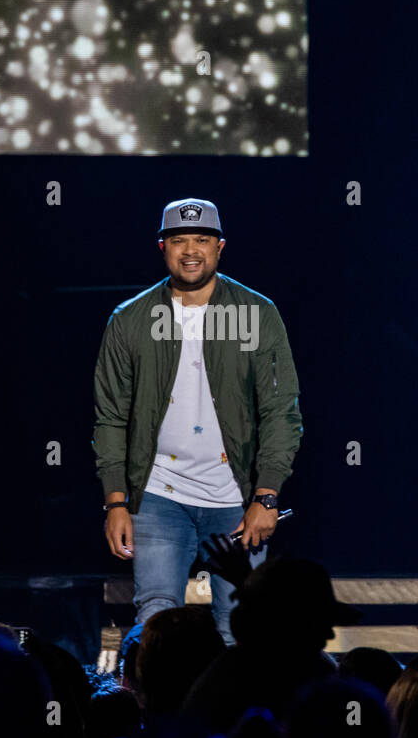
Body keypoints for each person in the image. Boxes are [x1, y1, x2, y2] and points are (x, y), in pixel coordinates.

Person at [93, 197, 303, 645]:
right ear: (162, 247)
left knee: (240, 627)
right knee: (156, 625)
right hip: (157, 496)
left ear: (220, 246)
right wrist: (115, 502)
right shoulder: (130, 320)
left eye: (202, 239)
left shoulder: (256, 313)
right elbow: (110, 416)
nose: (191, 250)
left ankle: (235, 717)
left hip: (235, 498)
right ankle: (162, 716)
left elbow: (281, 411)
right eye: (179, 240)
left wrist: (266, 496)